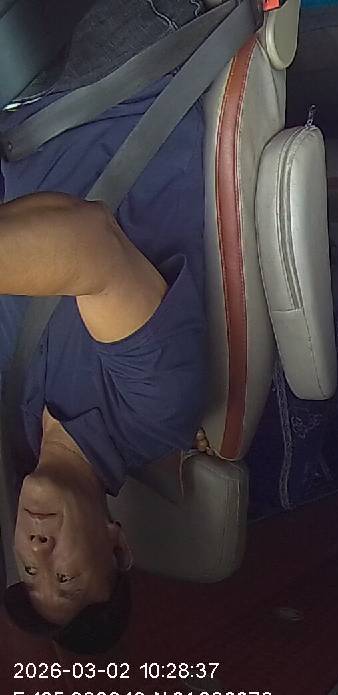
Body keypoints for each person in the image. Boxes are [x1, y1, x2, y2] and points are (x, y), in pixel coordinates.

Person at [1, 0, 208, 654]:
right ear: (117, 547)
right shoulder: (154, 413)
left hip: (18, 112)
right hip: (116, 77)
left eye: (28, 570)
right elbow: (90, 246)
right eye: (65, 577)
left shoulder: (15, 420)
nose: (38, 551)